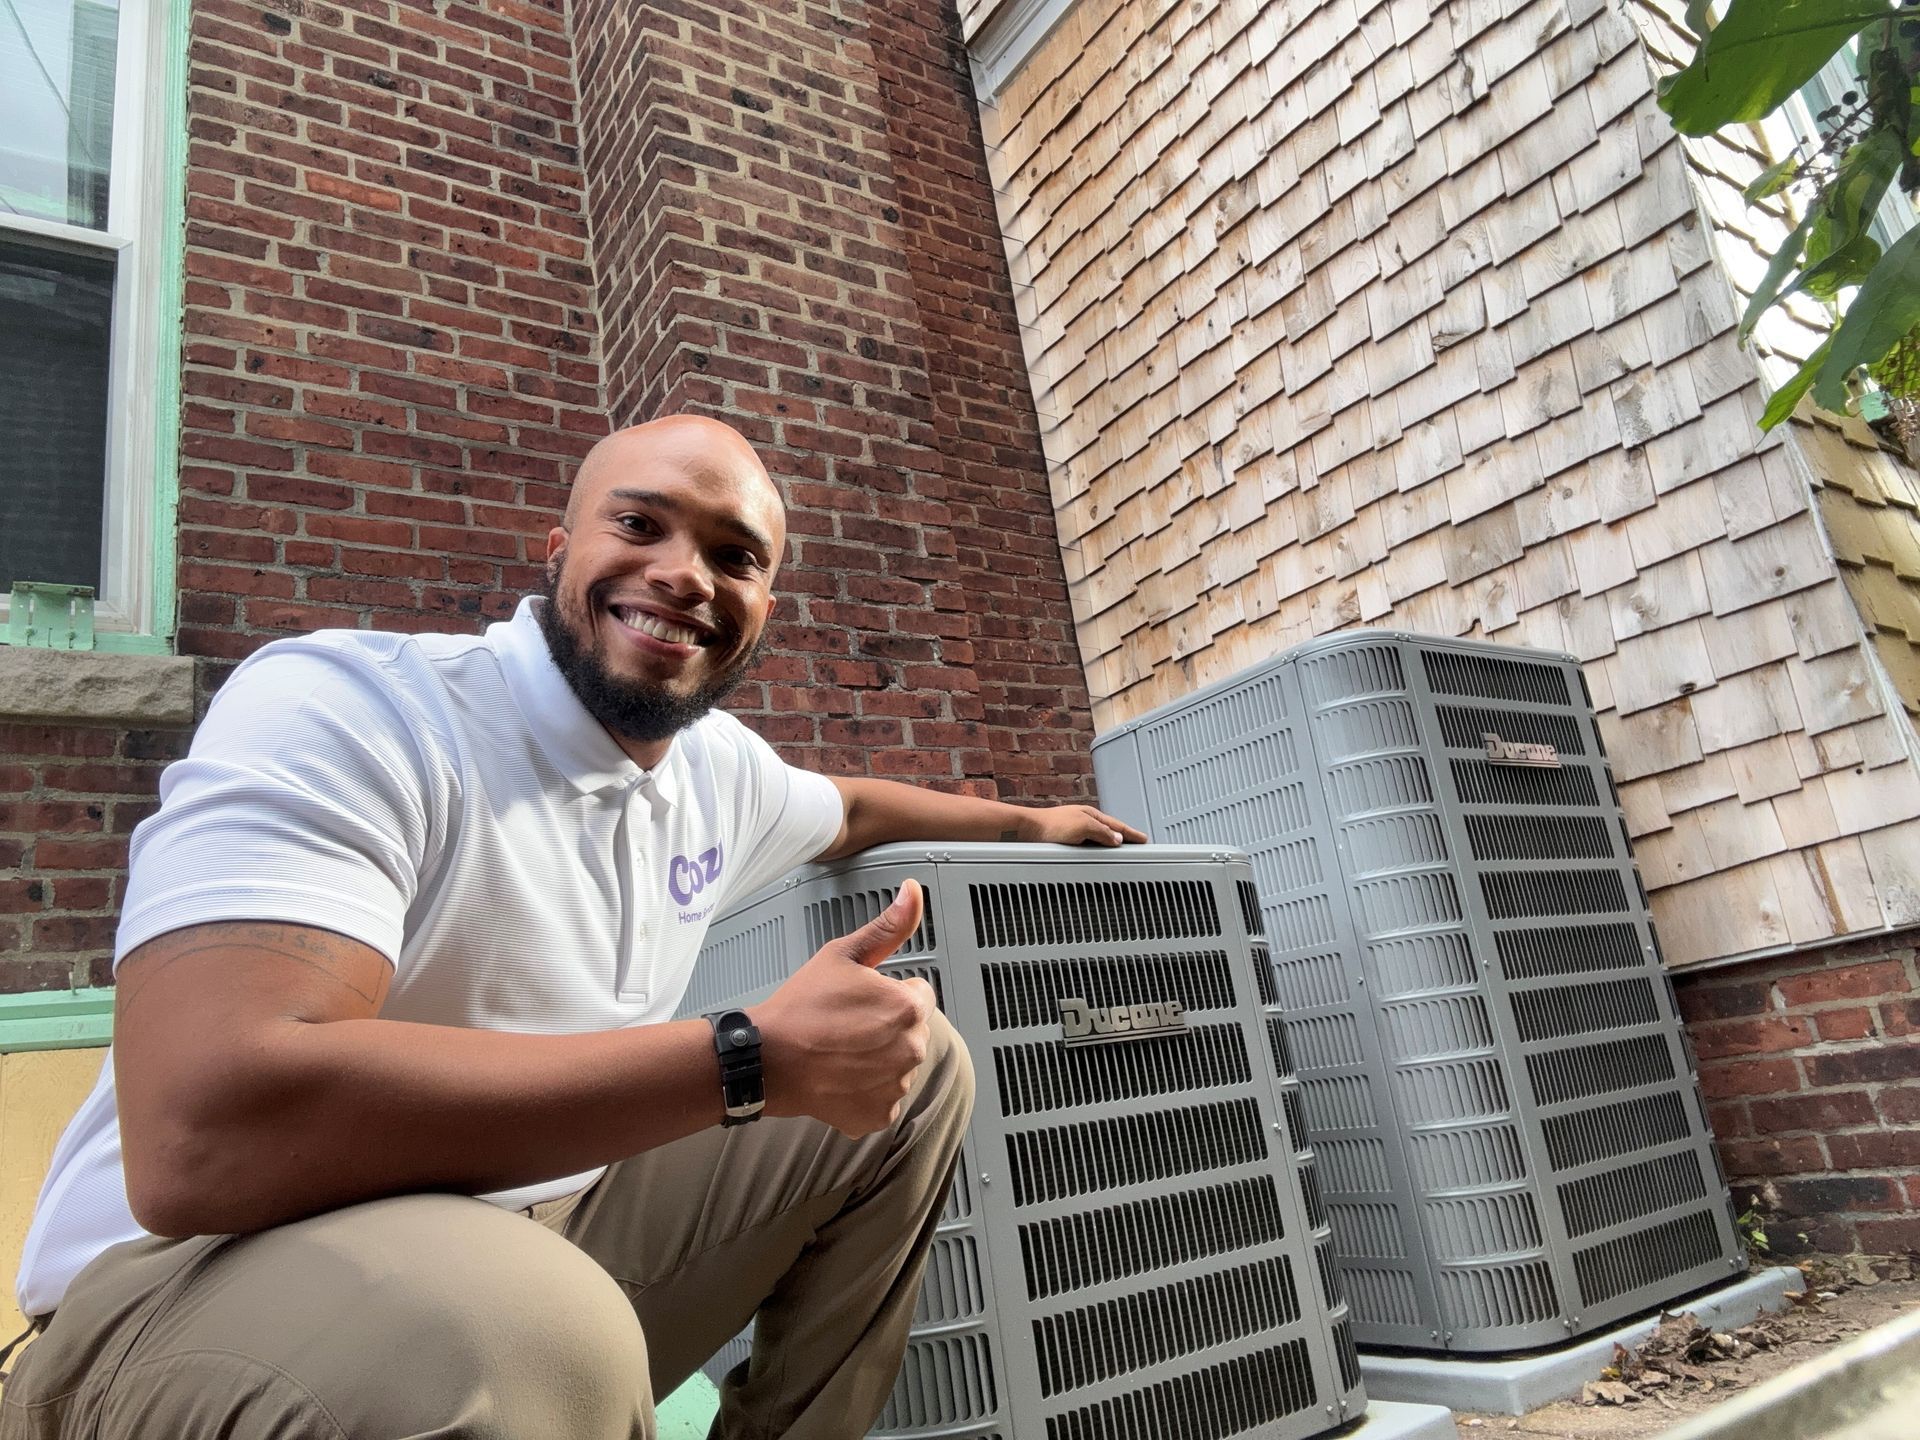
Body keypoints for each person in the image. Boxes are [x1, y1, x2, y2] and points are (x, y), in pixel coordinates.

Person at [2, 415, 1145, 1440]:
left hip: (527, 1242)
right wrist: (744, 1057)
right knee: (535, 1338)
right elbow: (204, 1135)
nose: (684, 574)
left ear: (762, 611)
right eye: (640, 523)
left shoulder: (715, 772)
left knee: (919, 1062)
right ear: (559, 552)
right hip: (180, 1291)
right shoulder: (360, 708)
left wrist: (1033, 819)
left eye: (734, 556)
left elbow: (848, 807)